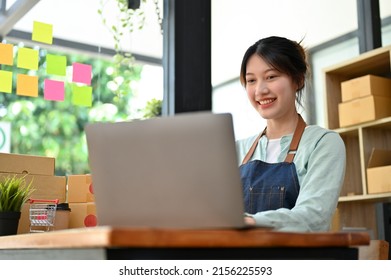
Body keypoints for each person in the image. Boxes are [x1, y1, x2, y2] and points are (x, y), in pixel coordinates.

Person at [236, 36, 346, 232]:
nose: (260, 90)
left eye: (271, 77)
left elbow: (313, 217)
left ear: (298, 80)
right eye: (251, 80)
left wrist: (250, 222)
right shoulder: (236, 149)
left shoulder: (322, 143)